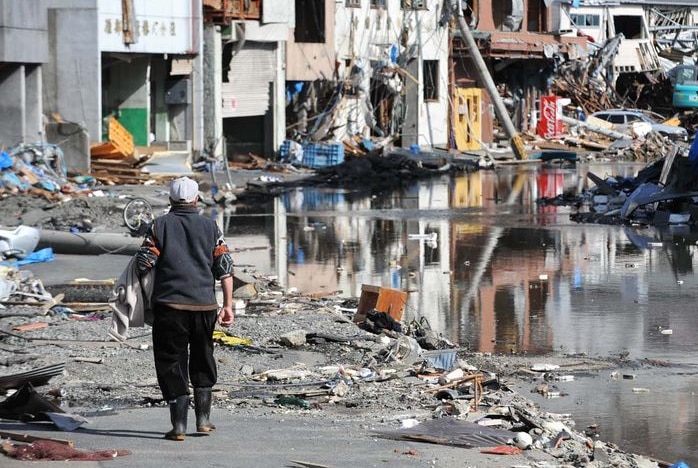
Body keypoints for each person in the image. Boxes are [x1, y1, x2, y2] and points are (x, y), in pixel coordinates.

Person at [135, 176, 234, 441]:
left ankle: (178, 426)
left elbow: (143, 264)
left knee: (171, 361)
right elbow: (225, 270)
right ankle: (203, 420)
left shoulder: (159, 226)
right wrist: (228, 306)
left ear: (169, 201)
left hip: (170, 306)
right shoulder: (211, 227)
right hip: (205, 307)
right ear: (197, 200)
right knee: (203, 356)